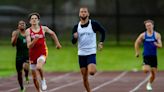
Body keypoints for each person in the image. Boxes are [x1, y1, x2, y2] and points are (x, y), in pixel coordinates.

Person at [71, 6, 106, 92]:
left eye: (85, 12)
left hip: (91, 52)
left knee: (92, 72)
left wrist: (101, 42)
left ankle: (93, 66)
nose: (83, 13)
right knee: (84, 77)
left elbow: (103, 31)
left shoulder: (93, 24)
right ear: (79, 14)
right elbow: (73, 42)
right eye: (81, 12)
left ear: (88, 14)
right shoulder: (76, 27)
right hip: (81, 53)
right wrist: (75, 38)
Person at [26, 12, 62, 92]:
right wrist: (35, 40)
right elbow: (29, 46)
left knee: (39, 67)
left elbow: (52, 33)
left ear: (38, 20)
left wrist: (57, 43)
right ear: (30, 21)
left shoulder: (43, 28)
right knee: (34, 78)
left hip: (42, 52)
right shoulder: (28, 31)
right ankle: (39, 90)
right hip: (32, 54)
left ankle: (43, 80)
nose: (34, 20)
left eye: (35, 18)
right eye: (32, 19)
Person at [135, 19, 162, 91]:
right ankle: (145, 66)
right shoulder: (143, 35)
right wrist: (137, 52)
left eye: (149, 25)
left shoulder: (157, 35)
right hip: (146, 55)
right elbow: (137, 43)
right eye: (147, 26)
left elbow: (160, 45)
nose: (148, 27)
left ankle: (149, 84)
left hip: (153, 56)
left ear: (152, 26)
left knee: (153, 74)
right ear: (145, 27)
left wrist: (157, 44)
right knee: (146, 70)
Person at [11, 20, 30, 92]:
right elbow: (13, 44)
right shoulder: (15, 33)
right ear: (18, 26)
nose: (22, 25)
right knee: (19, 73)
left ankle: (26, 76)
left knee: (26, 66)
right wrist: (16, 36)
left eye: (23, 24)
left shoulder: (28, 33)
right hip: (18, 56)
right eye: (20, 24)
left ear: (25, 26)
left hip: (27, 55)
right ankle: (22, 87)